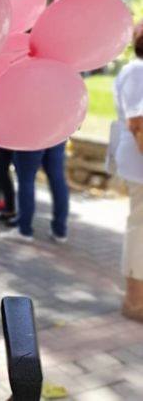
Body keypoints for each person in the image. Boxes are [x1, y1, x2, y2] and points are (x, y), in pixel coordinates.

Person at [113, 23, 143, 322]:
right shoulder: (137, 70)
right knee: (139, 229)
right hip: (139, 163)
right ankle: (135, 300)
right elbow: (138, 122)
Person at [0, 142, 69, 244]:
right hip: (58, 133)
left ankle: (24, 230)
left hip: (33, 135)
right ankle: (60, 231)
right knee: (57, 178)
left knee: (26, 180)